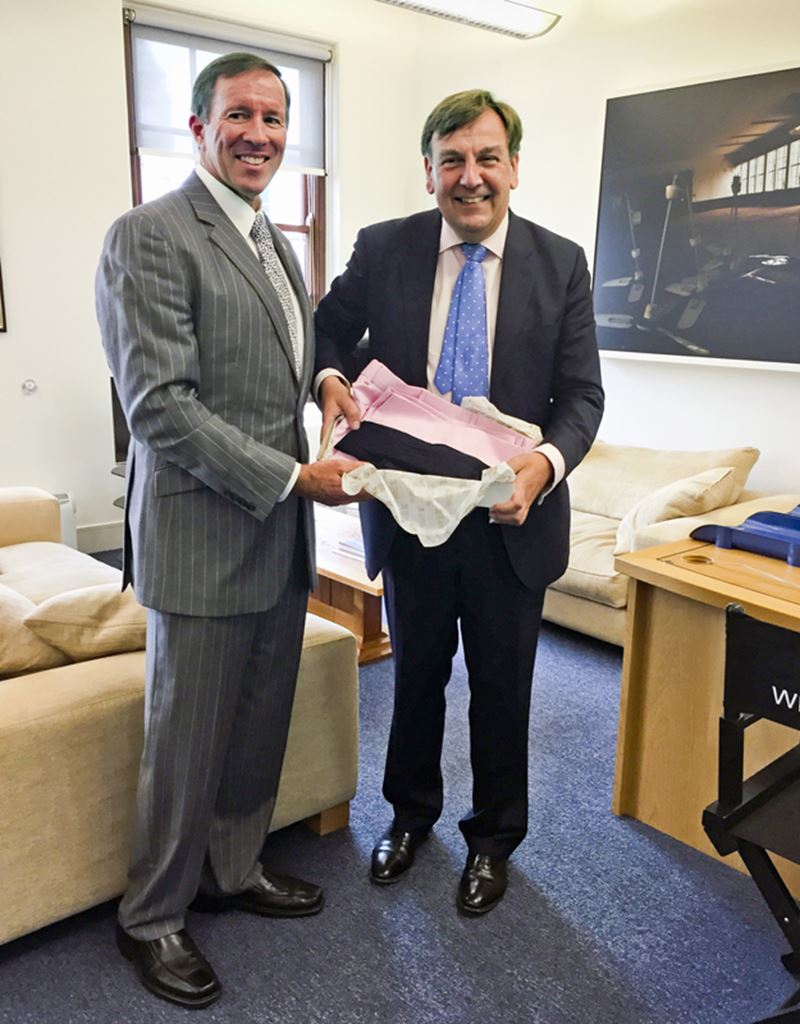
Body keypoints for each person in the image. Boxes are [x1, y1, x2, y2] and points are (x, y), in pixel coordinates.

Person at [96, 52, 361, 1009]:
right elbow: (161, 408)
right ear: (199, 126)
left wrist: (325, 379)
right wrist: (295, 476)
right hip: (202, 536)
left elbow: (282, 356)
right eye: (239, 115)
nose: (259, 134)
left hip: (277, 539)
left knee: (256, 725)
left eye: (274, 119)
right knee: (187, 744)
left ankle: (233, 868)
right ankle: (151, 918)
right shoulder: (149, 234)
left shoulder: (270, 237)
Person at [314, 89, 604, 915]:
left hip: (512, 519)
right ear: (429, 171)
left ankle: (493, 838)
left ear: (514, 167)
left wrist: (543, 466)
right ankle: (409, 817)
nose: (469, 177)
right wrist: (330, 377)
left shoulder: (560, 263)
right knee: (416, 679)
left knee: (503, 690)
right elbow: (325, 330)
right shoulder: (385, 248)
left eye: (486, 158)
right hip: (410, 514)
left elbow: (583, 396)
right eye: (452, 161)